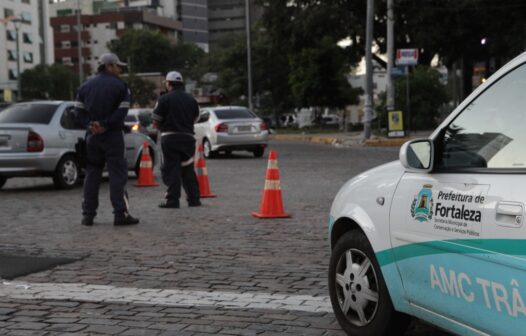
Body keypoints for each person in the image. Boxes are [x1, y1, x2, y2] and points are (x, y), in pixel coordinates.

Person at [75, 53, 139, 226]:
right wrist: (106, 125)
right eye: (118, 66)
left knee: (92, 174)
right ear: (109, 66)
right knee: (117, 174)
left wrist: (91, 125)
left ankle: (88, 215)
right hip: (113, 136)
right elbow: (122, 112)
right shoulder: (121, 86)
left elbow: (78, 112)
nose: (120, 70)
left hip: (92, 137)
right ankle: (120, 214)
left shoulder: (85, 86)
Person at [152, 71, 201, 209]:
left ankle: (172, 200)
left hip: (170, 138)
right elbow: (196, 118)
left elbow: (156, 121)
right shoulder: (191, 99)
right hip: (188, 138)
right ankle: (194, 199)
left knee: (171, 168)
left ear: (169, 83)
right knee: (188, 168)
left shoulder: (163, 99)